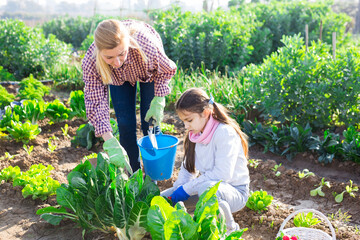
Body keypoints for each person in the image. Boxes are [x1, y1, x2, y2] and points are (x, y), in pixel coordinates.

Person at [82, 19, 177, 173]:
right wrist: (110, 142)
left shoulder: (147, 47)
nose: (117, 62)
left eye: (121, 53)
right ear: (100, 52)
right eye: (109, 58)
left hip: (148, 73)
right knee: (125, 124)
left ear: (128, 44)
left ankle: (154, 174)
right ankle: (134, 174)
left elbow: (166, 70)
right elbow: (96, 102)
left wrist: (159, 99)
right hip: (118, 80)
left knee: (150, 123)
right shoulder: (91, 63)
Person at [161, 88, 250, 234]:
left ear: (206, 113)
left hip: (234, 193)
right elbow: (188, 169)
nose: (186, 126)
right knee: (164, 199)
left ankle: (229, 230)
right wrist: (179, 189)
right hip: (207, 189)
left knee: (207, 189)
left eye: (189, 120)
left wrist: (187, 189)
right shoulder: (196, 134)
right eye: (184, 121)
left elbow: (222, 175)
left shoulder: (224, 133)